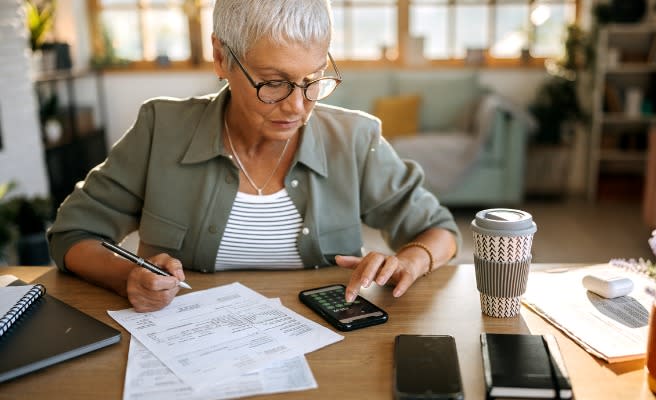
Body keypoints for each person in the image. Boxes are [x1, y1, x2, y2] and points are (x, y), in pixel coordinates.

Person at [47, 0, 460, 312]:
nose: (298, 107)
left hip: (333, 354)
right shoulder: (161, 129)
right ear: (222, 57)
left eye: (313, 80)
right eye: (273, 83)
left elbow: (439, 230)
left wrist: (414, 259)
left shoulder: (354, 138)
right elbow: (72, 235)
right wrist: (126, 279)